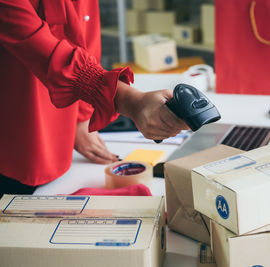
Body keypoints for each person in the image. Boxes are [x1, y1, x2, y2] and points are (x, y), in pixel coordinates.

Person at [0, 0, 188, 196]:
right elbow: (38, 45)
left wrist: (82, 118)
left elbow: (86, 41)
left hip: (64, 143)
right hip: (15, 134)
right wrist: (130, 101)